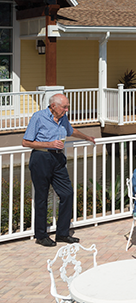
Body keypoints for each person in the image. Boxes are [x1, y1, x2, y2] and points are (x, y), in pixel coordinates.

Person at [22, 93, 96, 247]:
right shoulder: (38, 117)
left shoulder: (63, 118)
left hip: (58, 159)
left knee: (67, 193)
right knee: (42, 198)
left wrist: (87, 137)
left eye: (67, 106)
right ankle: (41, 235)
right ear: (53, 106)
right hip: (41, 159)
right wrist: (49, 144)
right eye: (64, 107)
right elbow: (26, 142)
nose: (67, 109)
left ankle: (62, 233)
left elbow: (71, 131)